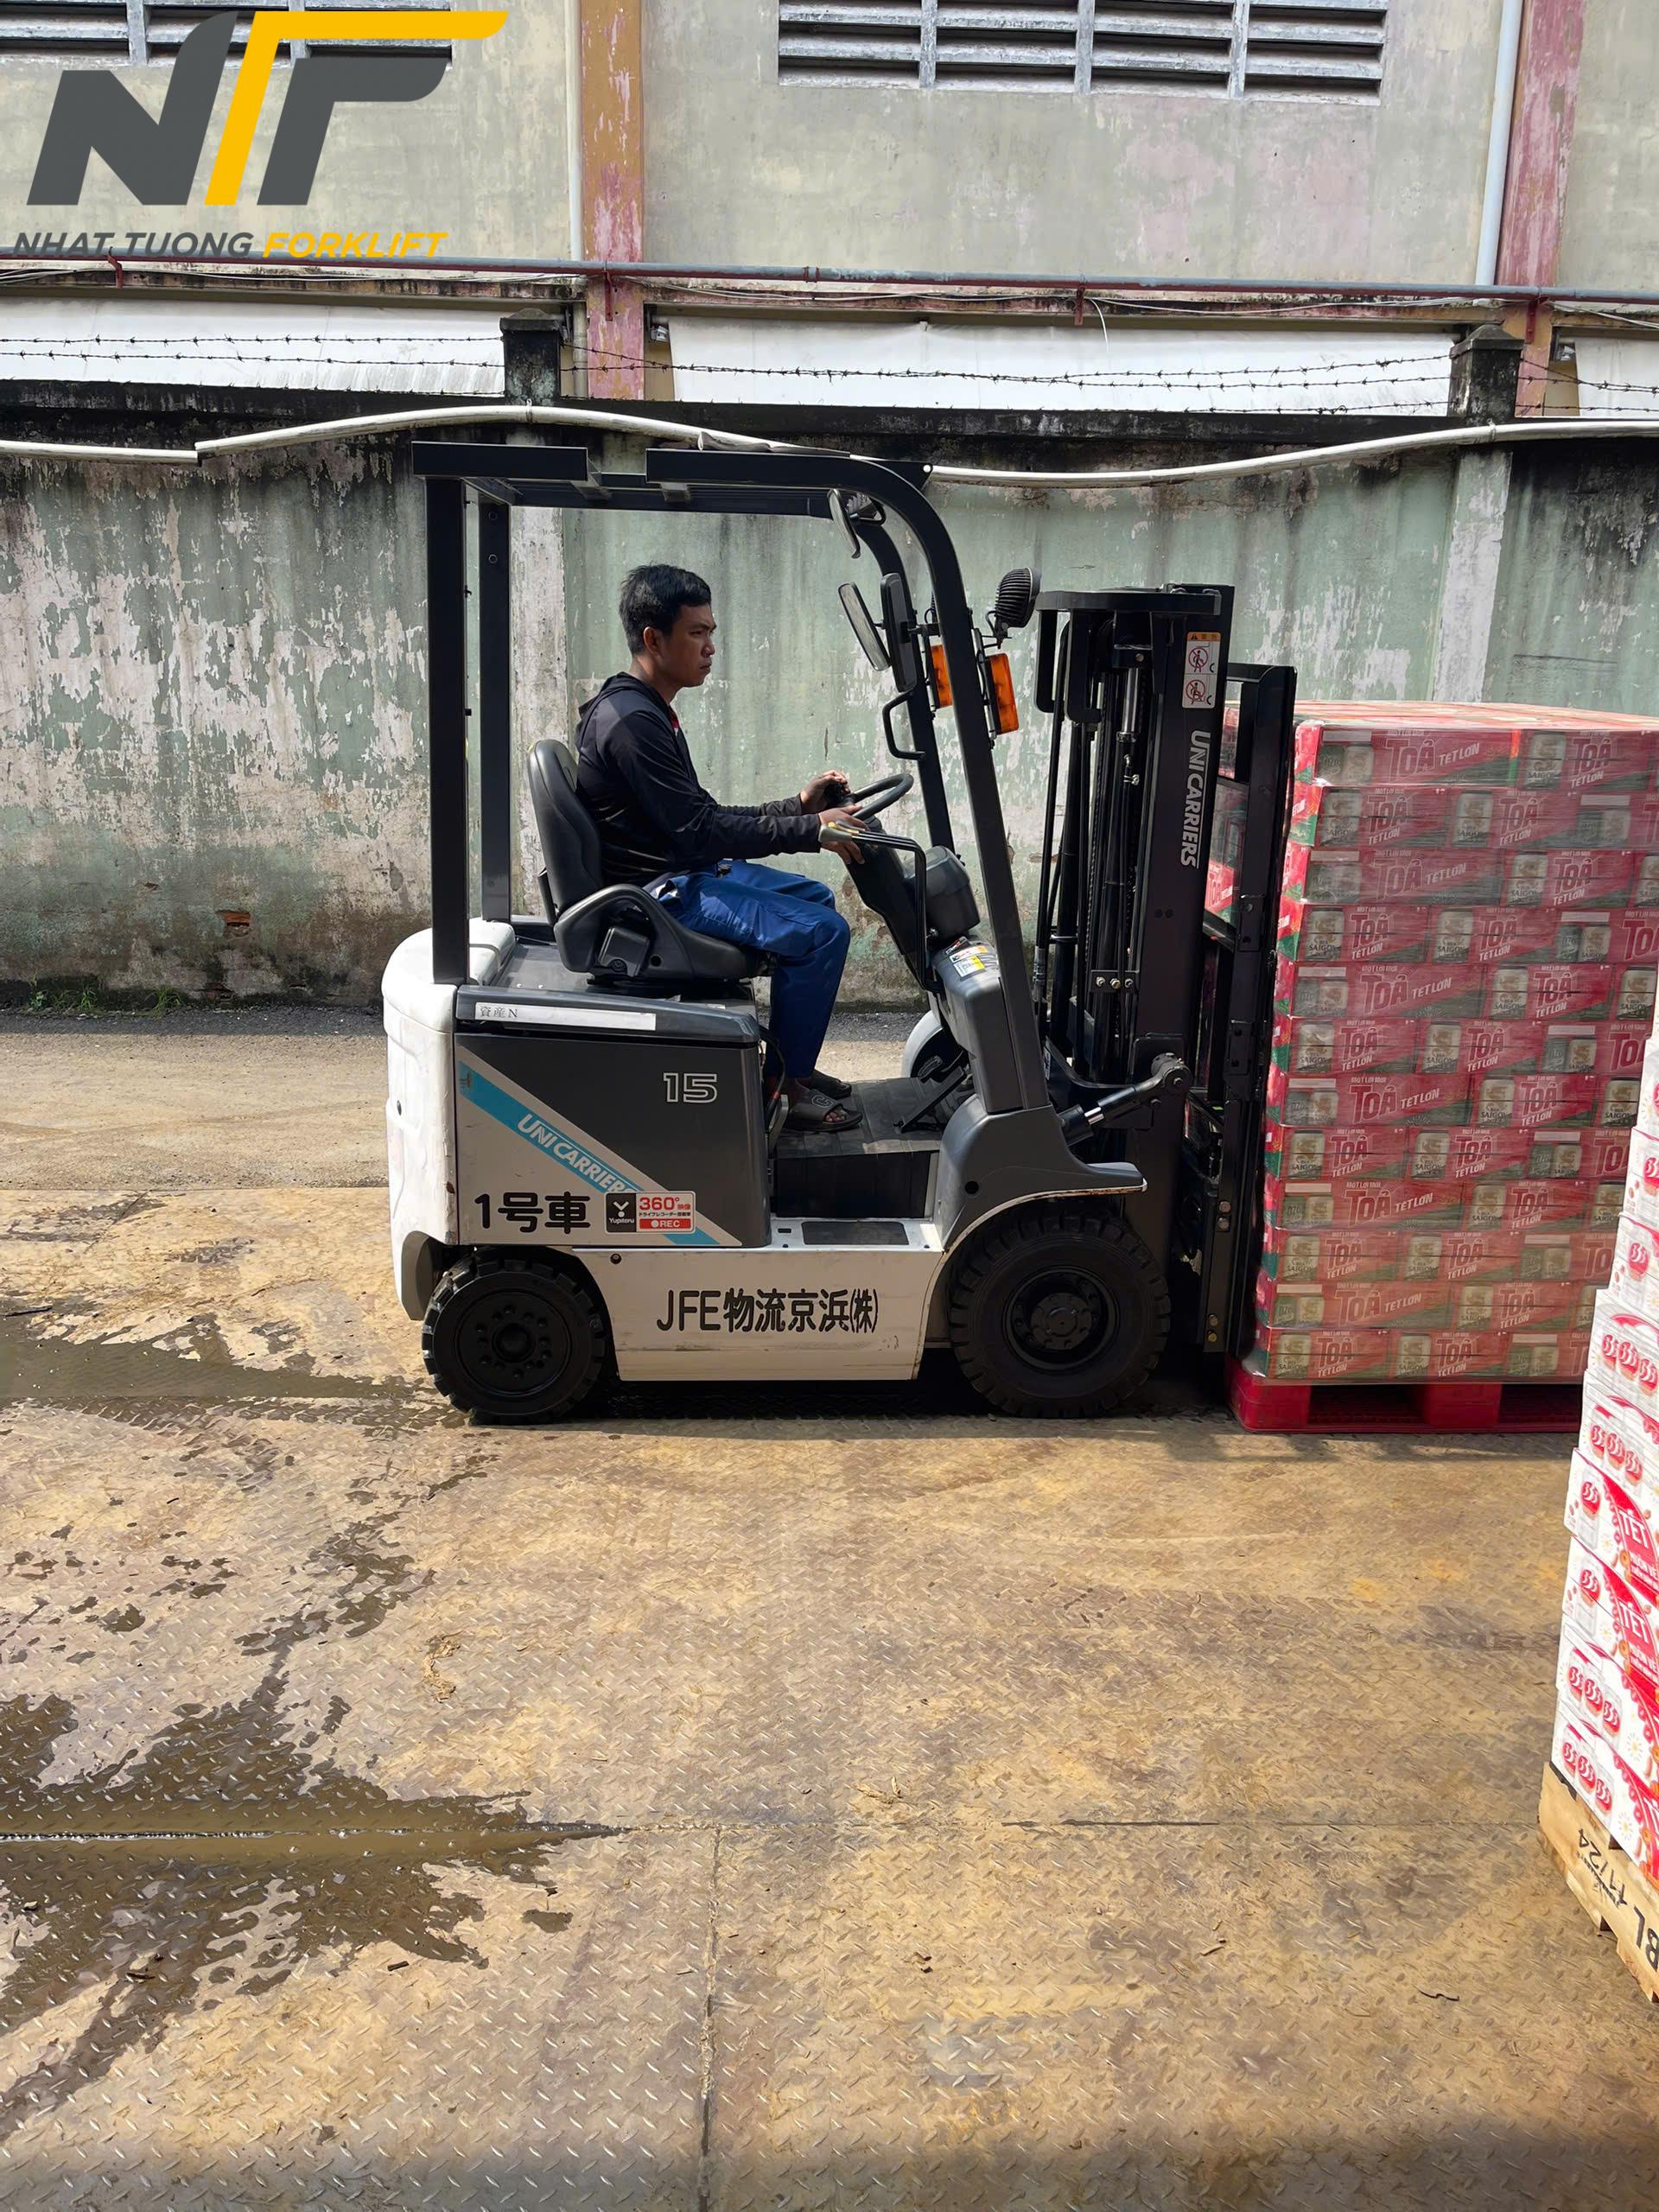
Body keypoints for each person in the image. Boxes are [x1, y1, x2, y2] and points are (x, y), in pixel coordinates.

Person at [575, 563, 869, 1132]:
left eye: (711, 632)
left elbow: (701, 816)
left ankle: (788, 1066)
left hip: (679, 871)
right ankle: (782, 1092)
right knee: (823, 933)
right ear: (653, 640)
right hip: (661, 894)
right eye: (697, 633)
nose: (711, 648)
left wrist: (798, 807)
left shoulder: (646, 710)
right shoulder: (632, 723)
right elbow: (700, 832)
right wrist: (813, 830)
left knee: (815, 900)